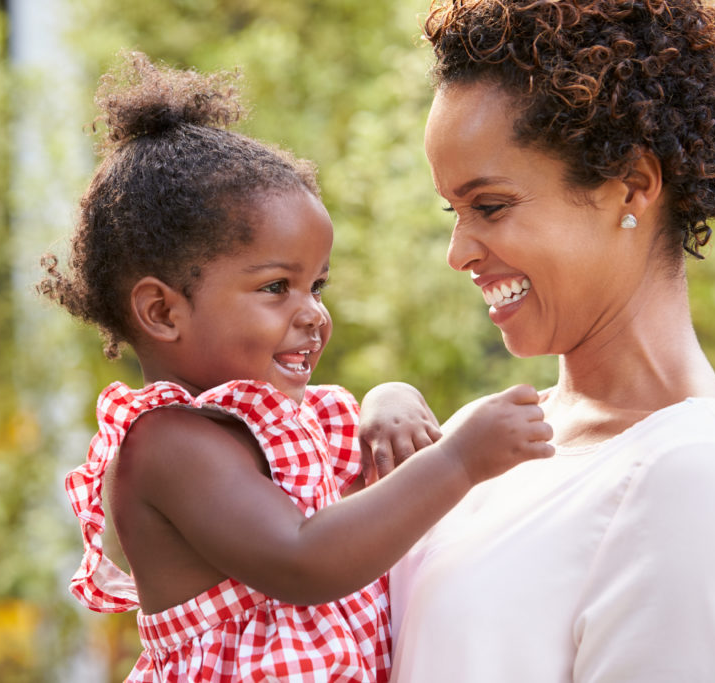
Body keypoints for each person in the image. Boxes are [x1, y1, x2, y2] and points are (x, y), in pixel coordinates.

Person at [39, 52, 554, 683]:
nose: (312, 313)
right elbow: (305, 559)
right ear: (162, 312)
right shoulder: (169, 446)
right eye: (276, 287)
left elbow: (361, 509)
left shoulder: (290, 422)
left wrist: (388, 401)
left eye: (318, 286)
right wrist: (458, 461)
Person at [390, 1, 715, 681]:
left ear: (631, 187)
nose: (457, 252)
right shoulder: (488, 437)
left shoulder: (690, 474)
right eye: (452, 211)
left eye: (490, 205)